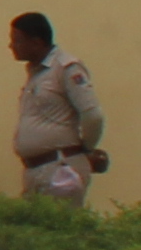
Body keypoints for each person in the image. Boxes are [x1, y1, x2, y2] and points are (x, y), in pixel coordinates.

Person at [10, 12, 110, 204]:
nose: (11, 46)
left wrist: (86, 148)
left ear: (37, 42)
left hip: (59, 168)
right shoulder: (36, 73)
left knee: (58, 226)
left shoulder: (66, 68)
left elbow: (93, 115)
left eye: (17, 41)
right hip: (34, 169)